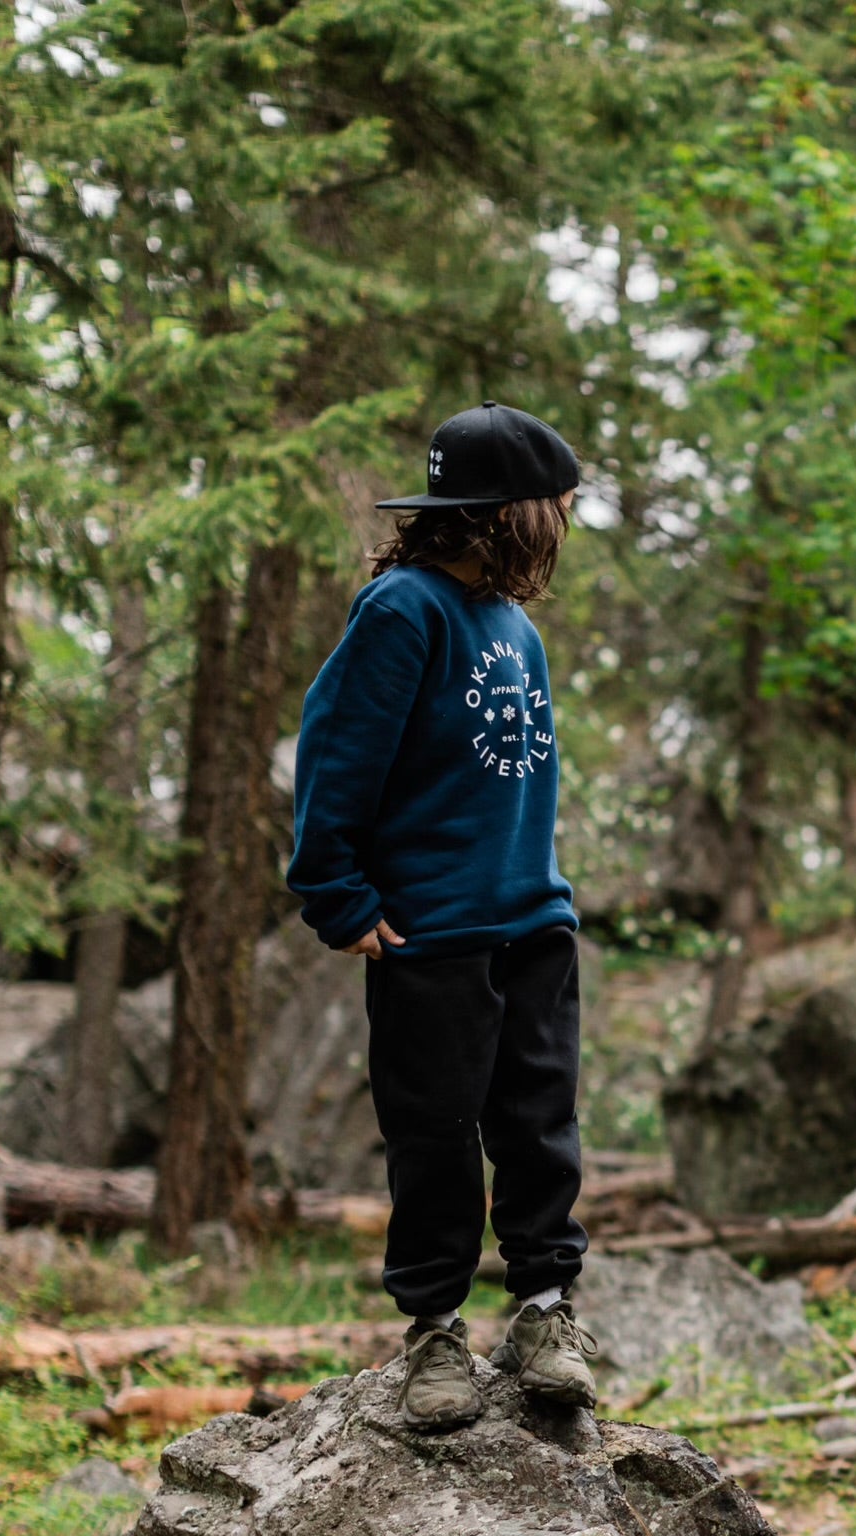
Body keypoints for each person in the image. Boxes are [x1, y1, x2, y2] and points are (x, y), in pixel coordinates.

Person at [287, 400, 601, 1430]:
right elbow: (337, 749)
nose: (565, 518)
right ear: (504, 511)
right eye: (558, 502)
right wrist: (335, 892)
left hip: (532, 923)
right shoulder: (402, 611)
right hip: (433, 934)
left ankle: (546, 1314)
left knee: (540, 1126)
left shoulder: (516, 627)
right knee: (435, 1134)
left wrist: (548, 900)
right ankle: (433, 1331)